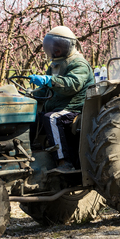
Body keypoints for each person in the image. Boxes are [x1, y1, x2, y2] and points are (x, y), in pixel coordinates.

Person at [29, 26, 94, 172]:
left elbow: (72, 85)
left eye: (59, 46)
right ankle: (31, 155)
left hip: (75, 107)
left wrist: (48, 80)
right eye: (52, 47)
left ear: (70, 45)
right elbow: (46, 89)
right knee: (32, 117)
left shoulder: (78, 63)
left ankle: (64, 162)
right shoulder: (55, 64)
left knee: (52, 118)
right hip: (59, 106)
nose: (55, 50)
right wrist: (30, 94)